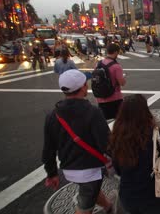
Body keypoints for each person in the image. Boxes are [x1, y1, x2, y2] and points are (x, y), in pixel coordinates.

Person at [42, 69, 114, 214]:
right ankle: (108, 207)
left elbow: (48, 148)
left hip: (69, 169)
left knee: (90, 190)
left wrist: (52, 173)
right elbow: (106, 143)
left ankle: (108, 206)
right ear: (83, 87)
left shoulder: (52, 115)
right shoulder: (92, 112)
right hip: (90, 169)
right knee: (85, 204)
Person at [109, 94, 160, 214]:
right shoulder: (158, 135)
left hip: (129, 197)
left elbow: (117, 169)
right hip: (156, 196)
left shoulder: (117, 137)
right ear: (146, 112)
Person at [96, 43, 126, 120]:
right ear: (116, 52)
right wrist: (123, 77)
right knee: (120, 121)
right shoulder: (116, 66)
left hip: (101, 98)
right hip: (115, 98)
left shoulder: (99, 63)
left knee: (103, 122)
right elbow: (121, 83)